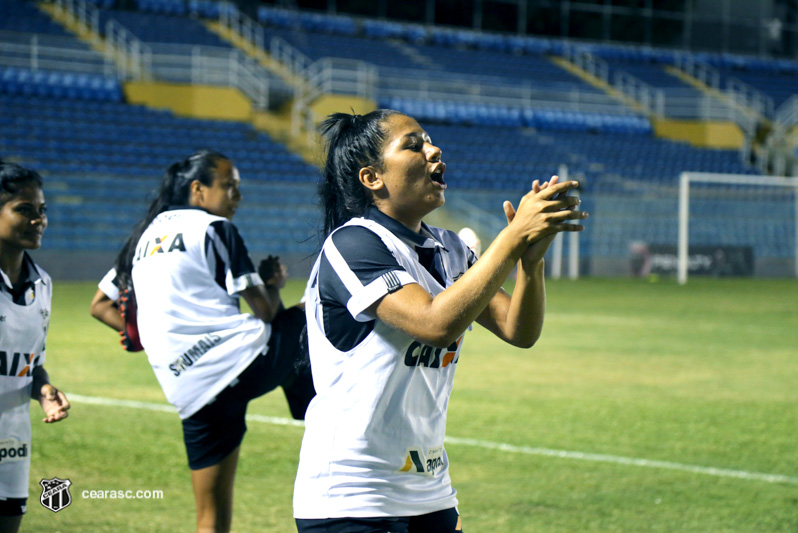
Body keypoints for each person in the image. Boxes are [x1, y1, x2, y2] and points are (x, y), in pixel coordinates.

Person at [293, 110, 588, 532]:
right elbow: (435, 324)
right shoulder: (353, 244)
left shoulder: (449, 248)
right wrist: (511, 236)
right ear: (372, 178)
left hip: (429, 492)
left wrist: (531, 263)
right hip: (352, 497)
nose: (434, 150)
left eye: (430, 141)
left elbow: (518, 331)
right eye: (414, 145)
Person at [101, 150, 314, 533]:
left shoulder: (144, 236)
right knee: (316, 310)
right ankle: (318, 418)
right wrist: (273, 283)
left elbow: (99, 305)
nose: (237, 195)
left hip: (187, 385)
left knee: (209, 518)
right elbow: (266, 311)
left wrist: (162, 339)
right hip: (234, 363)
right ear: (198, 189)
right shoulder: (215, 229)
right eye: (229, 185)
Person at [0, 162, 70, 533]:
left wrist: (43, 390)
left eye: (41, 210)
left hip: (10, 442)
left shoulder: (41, 284)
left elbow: (30, 364)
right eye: (24, 209)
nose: (38, 219)